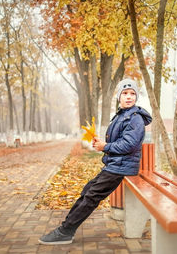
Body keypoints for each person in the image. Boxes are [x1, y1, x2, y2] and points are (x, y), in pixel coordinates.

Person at [38, 78, 152, 245]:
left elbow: (128, 144)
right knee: (87, 191)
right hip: (115, 164)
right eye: (125, 93)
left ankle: (65, 231)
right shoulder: (122, 115)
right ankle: (64, 229)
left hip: (122, 166)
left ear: (136, 97)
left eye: (132, 94)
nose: (129, 97)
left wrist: (105, 146)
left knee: (92, 196)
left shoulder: (135, 118)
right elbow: (119, 140)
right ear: (119, 96)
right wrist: (102, 143)